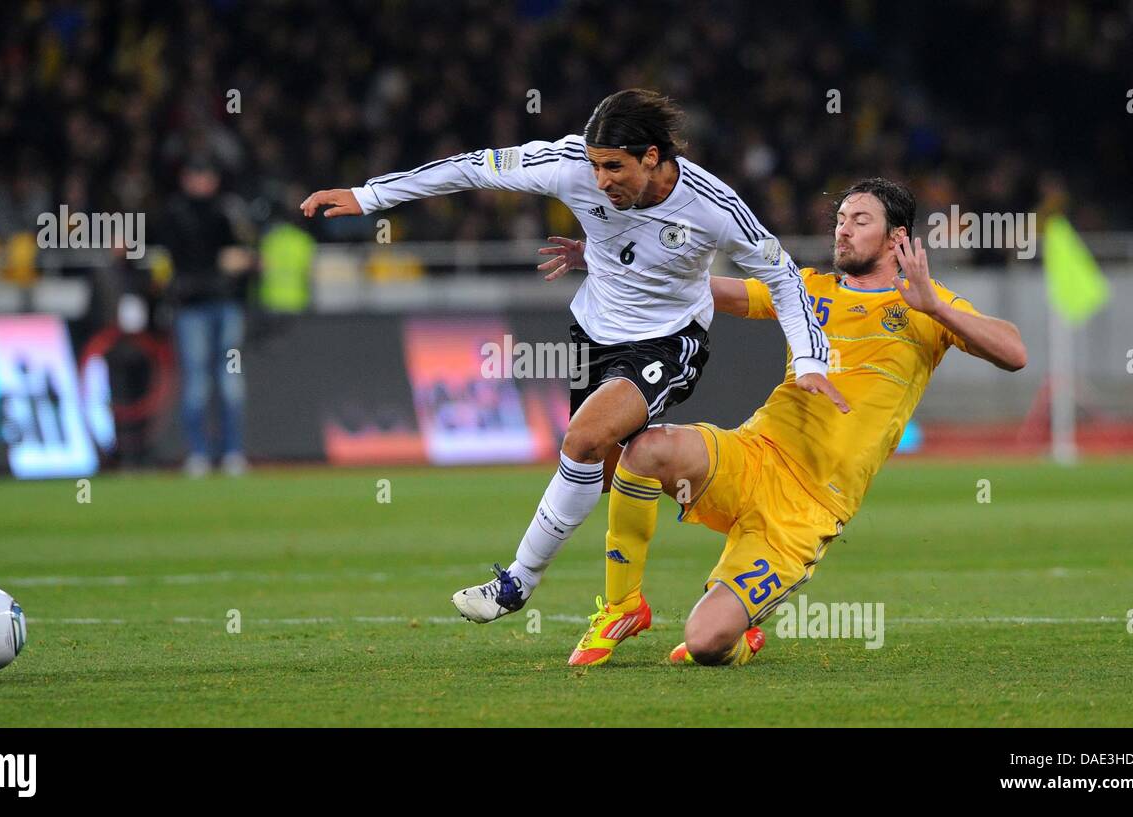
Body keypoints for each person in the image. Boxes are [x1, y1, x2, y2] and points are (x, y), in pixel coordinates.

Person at [300, 89, 844, 621]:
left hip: (669, 340)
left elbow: (780, 273)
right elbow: (472, 167)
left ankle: (515, 584)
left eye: (613, 168)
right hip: (592, 334)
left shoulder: (712, 204)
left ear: (652, 158)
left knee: (581, 438)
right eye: (595, 166)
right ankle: (650, 589)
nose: (601, 181)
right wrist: (370, 197)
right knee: (606, 472)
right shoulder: (568, 166)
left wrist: (811, 358)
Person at [542, 178, 1027, 666]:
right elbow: (716, 291)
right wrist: (612, 262)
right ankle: (624, 607)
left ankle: (740, 635)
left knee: (706, 643)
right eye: (840, 220)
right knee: (644, 450)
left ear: (896, 237)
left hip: (807, 508)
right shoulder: (807, 288)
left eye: (860, 221)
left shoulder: (926, 306)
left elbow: (1014, 353)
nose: (844, 231)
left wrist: (937, 307)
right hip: (753, 455)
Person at [162, 159, 255, 477]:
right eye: (195, 174)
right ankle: (199, 453)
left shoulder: (227, 210)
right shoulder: (175, 212)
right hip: (192, 307)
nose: (200, 181)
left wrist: (242, 263)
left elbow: (247, 252)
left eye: (205, 174)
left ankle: (232, 453)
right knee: (197, 383)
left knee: (230, 382)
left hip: (225, 304)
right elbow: (168, 254)